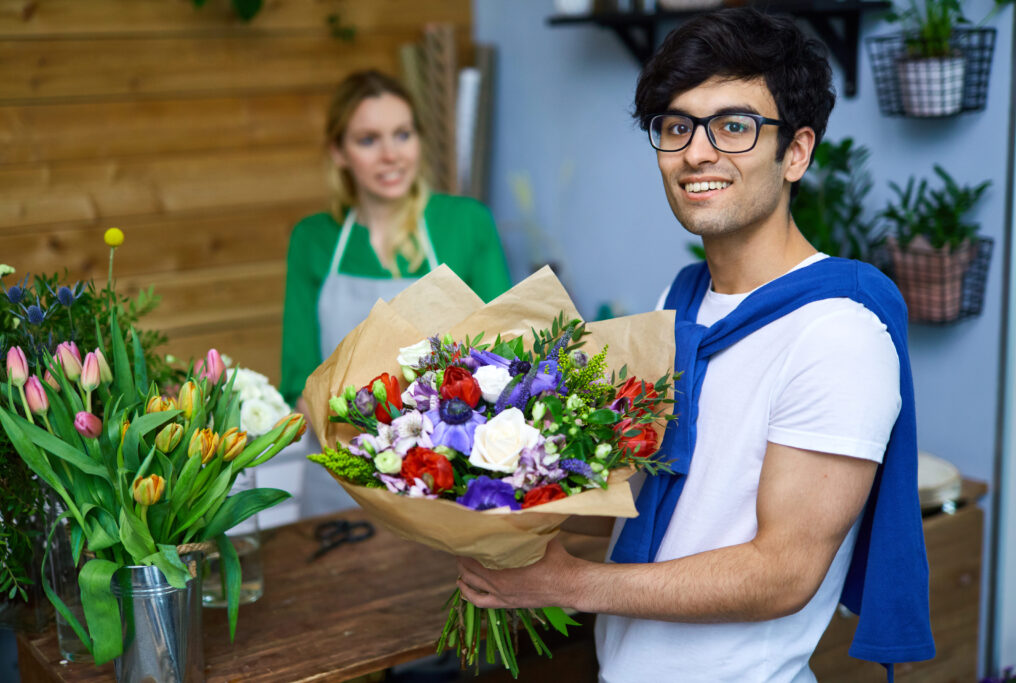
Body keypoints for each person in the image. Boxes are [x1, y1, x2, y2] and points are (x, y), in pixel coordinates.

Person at [455, 9, 933, 681]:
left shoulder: (837, 332)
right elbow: (663, 501)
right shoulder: (679, 300)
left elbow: (781, 573)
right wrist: (490, 508)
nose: (697, 152)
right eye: (676, 127)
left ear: (795, 152)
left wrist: (565, 582)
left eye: (734, 126)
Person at [280, 70, 511, 517]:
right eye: (368, 140)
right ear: (339, 152)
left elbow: (504, 350)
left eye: (402, 135)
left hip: (446, 477)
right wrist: (367, 464)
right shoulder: (313, 240)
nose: (390, 155)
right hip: (342, 482)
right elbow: (299, 381)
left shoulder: (466, 223)